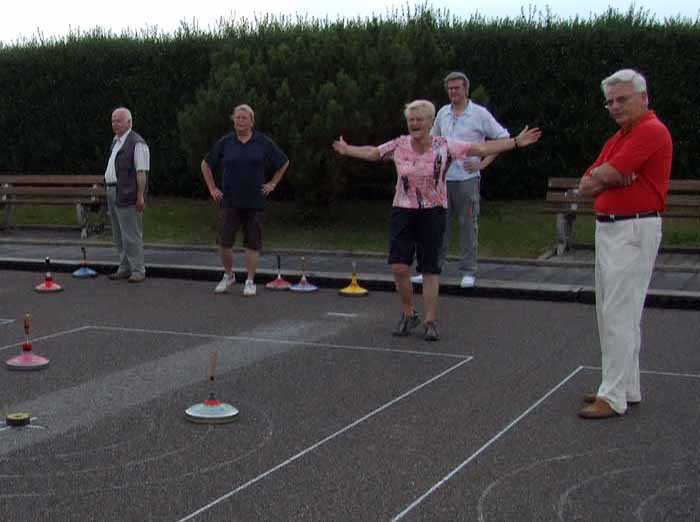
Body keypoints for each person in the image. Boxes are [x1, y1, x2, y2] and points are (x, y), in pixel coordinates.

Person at [333, 100, 541, 341]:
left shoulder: (445, 145)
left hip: (433, 212)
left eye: (419, 120)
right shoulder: (400, 144)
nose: (414, 124)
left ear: (430, 123)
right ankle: (409, 313)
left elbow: (481, 148)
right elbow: (374, 152)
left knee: (429, 269)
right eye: (411, 120)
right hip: (403, 210)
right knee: (399, 267)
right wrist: (348, 149)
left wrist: (515, 142)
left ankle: (430, 321)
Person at [576, 69, 672, 419]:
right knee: (615, 313)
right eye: (610, 102)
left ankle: (613, 395)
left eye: (622, 99)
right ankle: (624, 386)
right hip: (612, 229)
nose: (615, 106)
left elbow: (601, 176)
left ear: (643, 98)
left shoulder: (650, 130)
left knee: (618, 313)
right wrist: (609, 176)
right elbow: (586, 183)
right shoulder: (619, 137)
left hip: (632, 229)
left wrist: (607, 176)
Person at [411, 71, 509, 288]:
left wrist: (483, 163)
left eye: (457, 88)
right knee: (437, 226)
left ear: (466, 89)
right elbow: (432, 140)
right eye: (450, 88)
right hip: (442, 180)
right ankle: (431, 268)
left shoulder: (479, 114)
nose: (453, 92)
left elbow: (503, 138)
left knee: (468, 224)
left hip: (467, 179)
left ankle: (468, 271)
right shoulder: (443, 113)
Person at [201, 104, 290, 297]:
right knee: (224, 242)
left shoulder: (262, 141)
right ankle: (228, 275)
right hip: (230, 200)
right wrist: (212, 188)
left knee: (253, 243)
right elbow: (206, 164)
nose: (240, 121)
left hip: (254, 201)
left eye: (244, 118)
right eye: (237, 118)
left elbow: (283, 162)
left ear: (251, 122)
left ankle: (250, 280)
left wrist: (272, 183)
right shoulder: (226, 142)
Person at [105, 107, 150, 283]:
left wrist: (140, 196)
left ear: (129, 123)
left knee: (131, 233)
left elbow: (141, 172)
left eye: (118, 120)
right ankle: (124, 267)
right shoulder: (116, 142)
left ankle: (138, 269)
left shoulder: (137, 143)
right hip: (112, 190)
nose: (115, 124)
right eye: (113, 121)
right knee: (118, 233)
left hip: (127, 192)